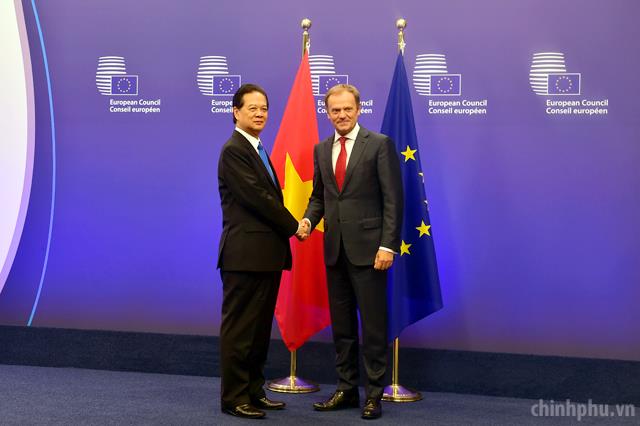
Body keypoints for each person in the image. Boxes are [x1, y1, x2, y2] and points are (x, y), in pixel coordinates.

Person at [299, 84, 403, 420]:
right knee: (342, 328)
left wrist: (387, 245)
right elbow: (319, 196)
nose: (342, 115)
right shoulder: (321, 149)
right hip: (335, 251)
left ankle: (373, 395)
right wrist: (308, 220)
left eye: (347, 109)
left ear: (358, 109)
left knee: (372, 327)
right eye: (335, 110)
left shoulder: (380, 145)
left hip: (371, 253)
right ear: (327, 113)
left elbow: (393, 200)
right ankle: (346, 389)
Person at [217, 83, 306, 419]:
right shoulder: (234, 150)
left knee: (257, 332)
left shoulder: (256, 148)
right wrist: (295, 226)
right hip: (244, 256)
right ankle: (234, 398)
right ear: (236, 112)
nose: (259, 114)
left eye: (264, 108)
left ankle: (254, 391)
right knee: (240, 331)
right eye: (252, 108)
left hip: (265, 255)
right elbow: (258, 197)